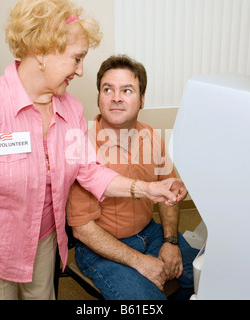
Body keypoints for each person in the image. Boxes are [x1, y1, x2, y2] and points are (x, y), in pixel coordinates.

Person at [0, 1, 186, 300]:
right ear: (42, 52)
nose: (81, 71)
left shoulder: (70, 108)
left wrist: (148, 189)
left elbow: (90, 172)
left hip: (44, 240)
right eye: (77, 59)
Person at [66, 55, 199, 300]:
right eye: (108, 89)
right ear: (99, 97)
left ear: (142, 100)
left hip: (151, 233)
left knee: (209, 276)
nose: (116, 97)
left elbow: (168, 196)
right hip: (102, 249)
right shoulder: (82, 146)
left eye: (127, 90)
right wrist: (139, 261)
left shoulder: (150, 135)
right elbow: (83, 230)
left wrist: (170, 241)